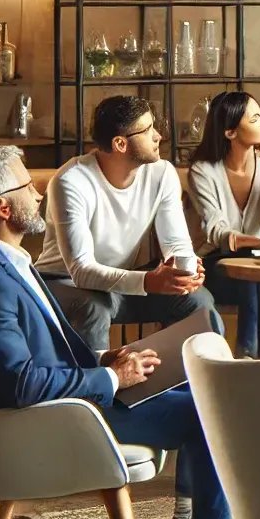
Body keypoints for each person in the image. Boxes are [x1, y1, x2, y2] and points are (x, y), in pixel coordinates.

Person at [0, 146, 260, 519]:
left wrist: (102, 360)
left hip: (61, 403)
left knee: (202, 395)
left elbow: (25, 359)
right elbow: (19, 382)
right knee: (210, 411)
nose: (37, 194)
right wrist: (112, 378)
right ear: (2, 206)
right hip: (52, 418)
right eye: (27, 186)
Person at [35, 96, 220, 352]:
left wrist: (183, 270)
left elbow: (176, 242)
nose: (158, 137)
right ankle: (99, 390)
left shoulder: (162, 173)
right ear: (120, 144)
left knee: (197, 301)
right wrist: (147, 282)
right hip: (63, 282)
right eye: (147, 131)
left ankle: (199, 385)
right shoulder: (71, 181)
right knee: (92, 308)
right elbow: (81, 269)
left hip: (122, 284)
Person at [186, 91, 260, 357]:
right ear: (230, 132)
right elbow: (218, 233)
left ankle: (249, 356)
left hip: (257, 267)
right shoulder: (202, 171)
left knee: (257, 277)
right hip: (214, 266)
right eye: (255, 118)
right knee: (258, 277)